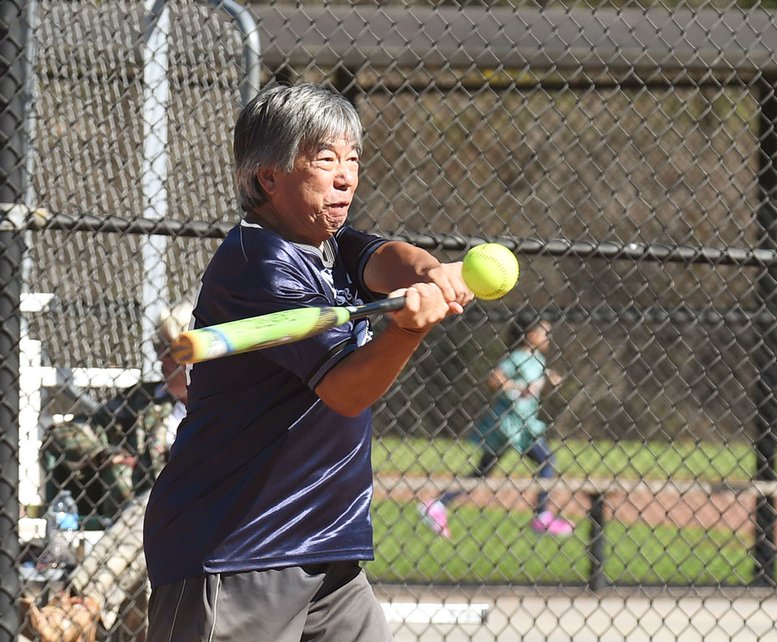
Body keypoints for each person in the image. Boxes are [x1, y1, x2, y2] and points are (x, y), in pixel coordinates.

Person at [141, 83, 472, 642]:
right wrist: (408, 329)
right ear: (269, 177)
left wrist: (430, 273)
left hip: (329, 554)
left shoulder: (328, 243)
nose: (345, 176)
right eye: (324, 160)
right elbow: (344, 389)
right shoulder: (258, 262)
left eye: (352, 160)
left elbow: (385, 257)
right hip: (236, 548)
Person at [23, 302, 193, 642]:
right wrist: (104, 454)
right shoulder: (144, 402)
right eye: (158, 351)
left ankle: (75, 611)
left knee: (157, 509)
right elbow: (68, 432)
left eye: (168, 353)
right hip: (145, 527)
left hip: (194, 515)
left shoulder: (224, 404)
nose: (160, 361)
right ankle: (80, 609)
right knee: (150, 515)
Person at [420, 310, 573, 538]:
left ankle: (438, 505)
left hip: (519, 422)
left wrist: (549, 382)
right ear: (529, 334)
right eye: (543, 333)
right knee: (547, 459)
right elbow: (495, 378)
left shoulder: (537, 360)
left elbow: (536, 387)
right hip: (512, 424)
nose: (547, 338)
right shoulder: (517, 357)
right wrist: (516, 388)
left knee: (483, 471)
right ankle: (542, 517)